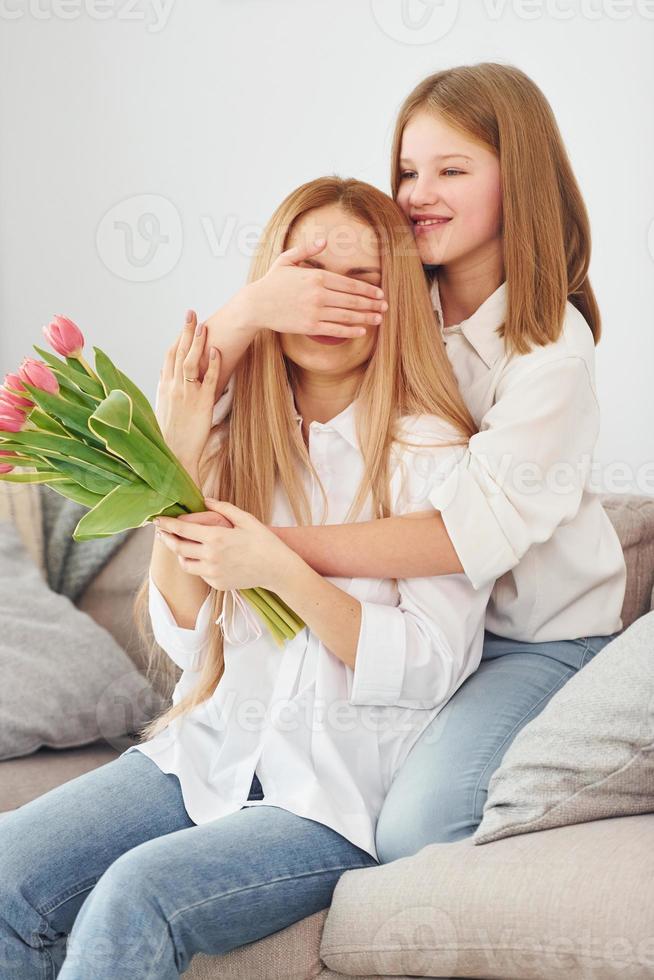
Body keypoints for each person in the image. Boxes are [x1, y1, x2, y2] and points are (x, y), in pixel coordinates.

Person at [0, 177, 493, 979]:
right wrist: (181, 459)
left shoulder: (431, 451)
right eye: (308, 272)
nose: (329, 299)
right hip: (205, 761)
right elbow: (182, 632)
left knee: (137, 896)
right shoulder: (240, 436)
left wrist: (281, 569)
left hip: (330, 806)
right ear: (273, 289)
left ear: (397, 299)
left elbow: (427, 665)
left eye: (362, 279)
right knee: (8, 869)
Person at [196, 63, 627, 862]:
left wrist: (272, 550)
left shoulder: (549, 354)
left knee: (416, 827)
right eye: (406, 169)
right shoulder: (393, 299)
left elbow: (459, 540)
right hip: (428, 625)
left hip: (527, 639)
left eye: (451, 170)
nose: (417, 192)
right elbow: (203, 407)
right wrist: (248, 308)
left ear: (518, 183)